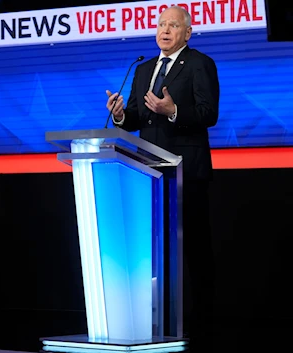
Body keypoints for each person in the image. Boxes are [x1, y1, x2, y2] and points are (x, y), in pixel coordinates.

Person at [105, 5, 219, 342]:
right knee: (154, 249)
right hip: (150, 171)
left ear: (187, 32)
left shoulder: (199, 63)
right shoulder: (143, 70)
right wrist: (122, 114)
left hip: (188, 171)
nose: (165, 30)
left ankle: (204, 323)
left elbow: (208, 113)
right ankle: (159, 319)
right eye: (160, 24)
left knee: (195, 248)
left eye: (173, 25)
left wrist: (174, 111)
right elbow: (138, 118)